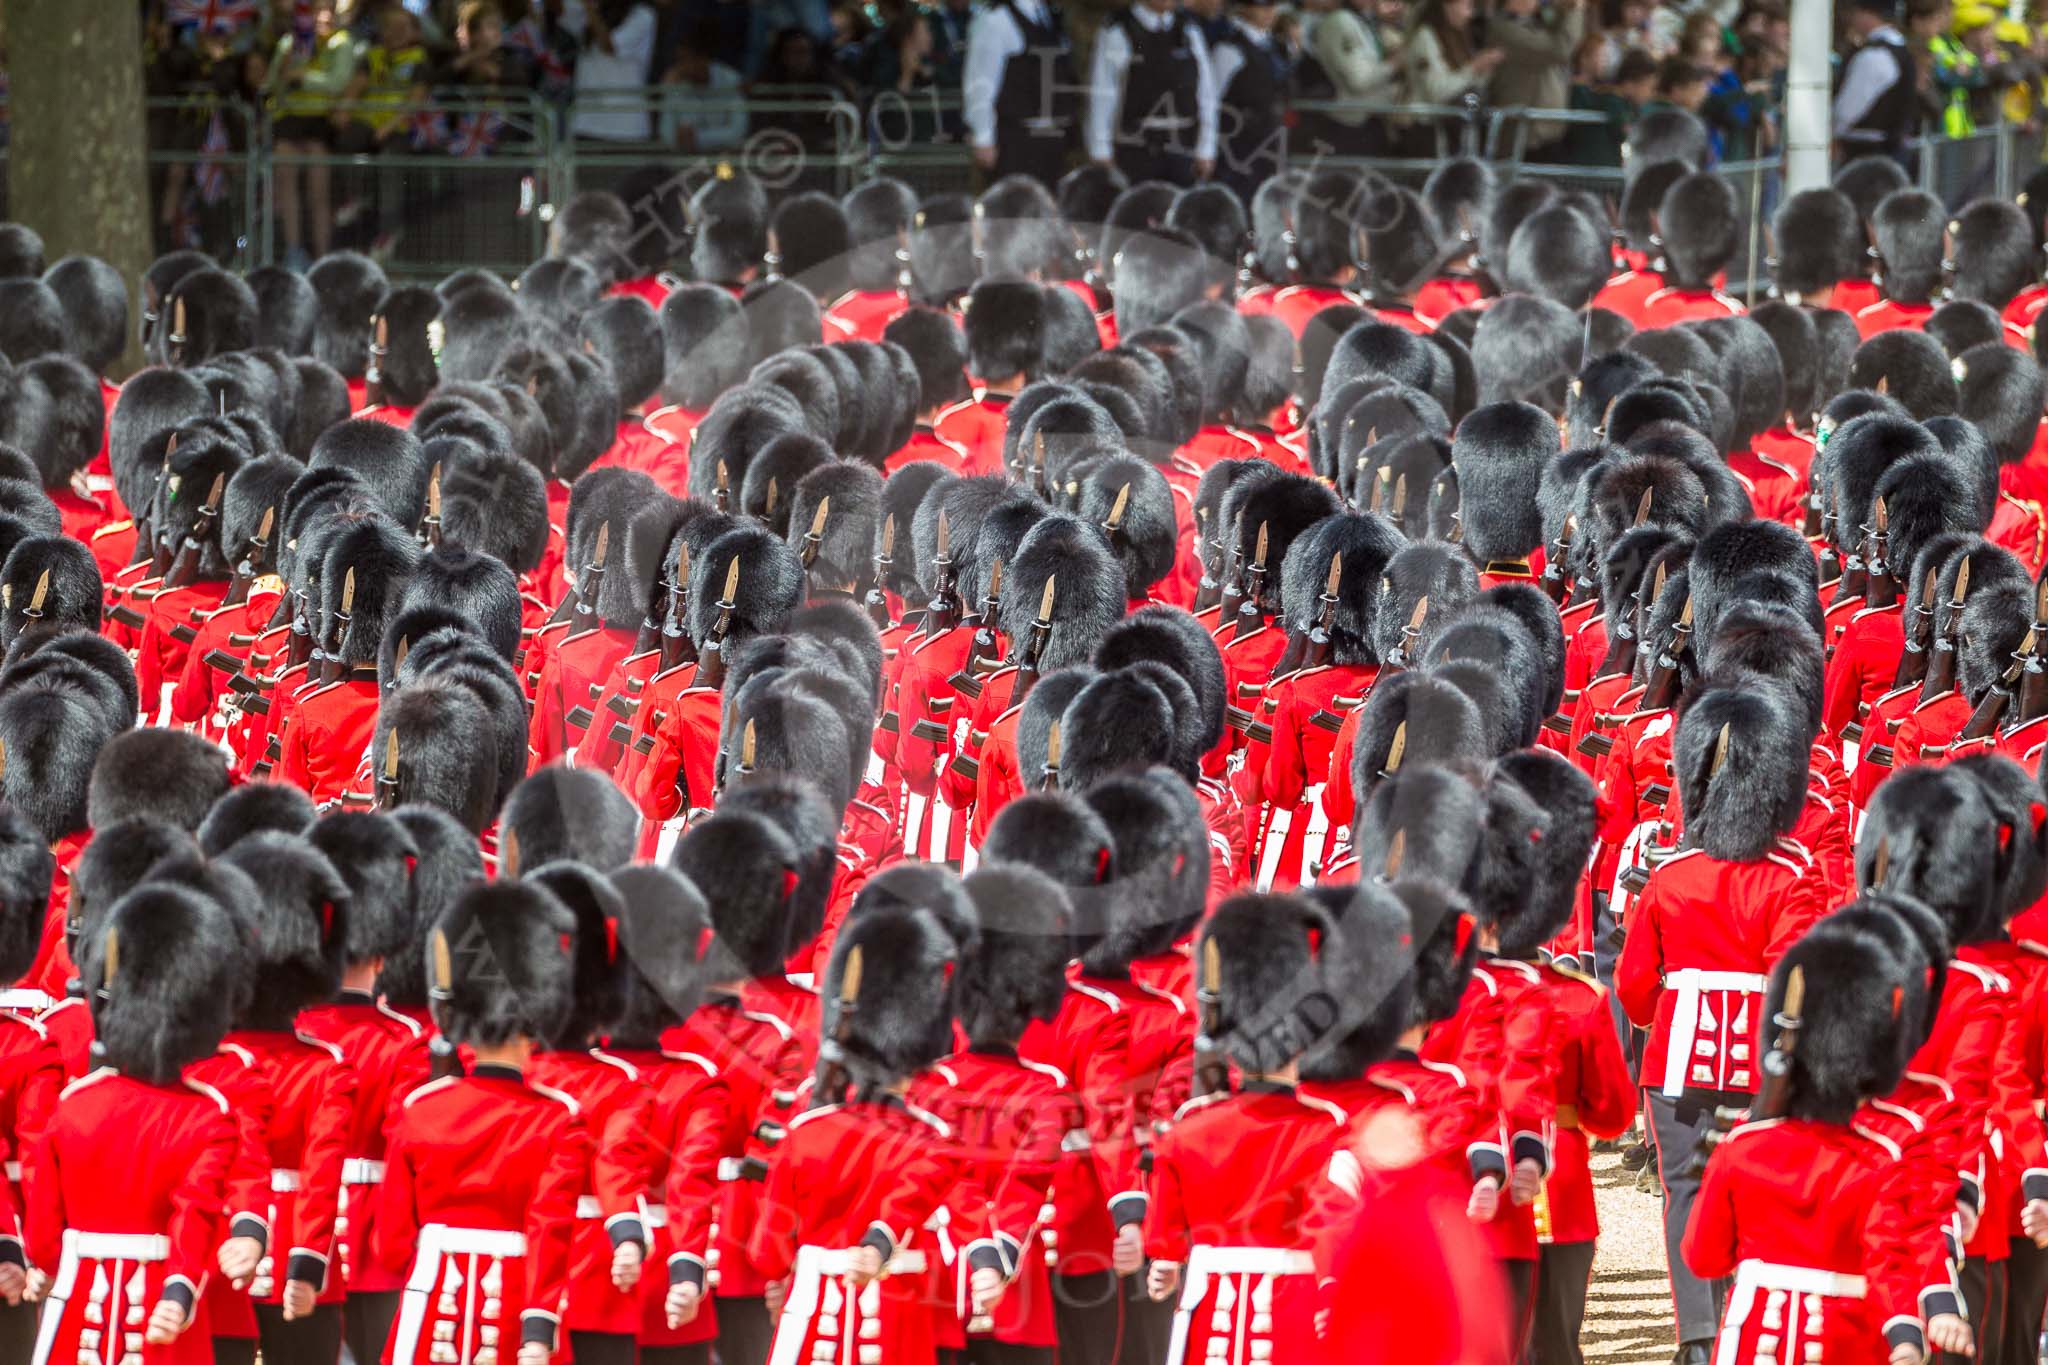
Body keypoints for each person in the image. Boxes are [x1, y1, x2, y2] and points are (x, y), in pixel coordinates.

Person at [1085, 0, 1221, 187]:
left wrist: (1206, 147)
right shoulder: (1117, 29)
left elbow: (1206, 93)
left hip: (1182, 147)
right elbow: (1103, 94)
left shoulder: (1190, 30)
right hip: (1136, 150)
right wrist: (1100, 150)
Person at [265, 1, 360, 270]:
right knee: (287, 184)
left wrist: (303, 76)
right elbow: (271, 84)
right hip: (290, 121)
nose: (322, 17)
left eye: (327, 10)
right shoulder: (288, 43)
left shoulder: (342, 43)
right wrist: (284, 69)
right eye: (316, 10)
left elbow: (338, 81)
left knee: (318, 192)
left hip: (321, 123)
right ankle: (294, 252)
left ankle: (322, 258)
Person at [962, 0, 1083, 188]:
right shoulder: (996, 19)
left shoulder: (1049, 15)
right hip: (1015, 142)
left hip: (1052, 141)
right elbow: (980, 83)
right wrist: (983, 137)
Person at [1834, 0, 1917, 162]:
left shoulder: (1876, 54)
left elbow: (1848, 109)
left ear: (1868, 14)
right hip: (1889, 148)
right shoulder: (1900, 49)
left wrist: (1832, 133)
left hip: (1866, 152)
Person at [570, 0, 660, 143]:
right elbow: (556, 14)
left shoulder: (643, 15)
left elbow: (610, 46)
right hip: (586, 122)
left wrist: (589, 8)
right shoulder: (588, 10)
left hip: (625, 127)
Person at [657, 22, 748, 153]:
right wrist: (678, 138)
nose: (681, 67)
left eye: (686, 59)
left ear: (703, 59)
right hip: (684, 162)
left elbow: (738, 131)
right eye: (679, 60)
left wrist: (699, 137)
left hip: (723, 159)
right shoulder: (675, 83)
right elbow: (666, 133)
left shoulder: (730, 80)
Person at [1402, 0, 1505, 106]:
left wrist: (1483, 71)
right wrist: (1474, 67)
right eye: (1467, 6)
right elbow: (1437, 92)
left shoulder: (1457, 37)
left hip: (1455, 116)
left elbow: (1467, 88)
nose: (1470, 14)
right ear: (1447, 6)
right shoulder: (1425, 37)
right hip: (1427, 118)